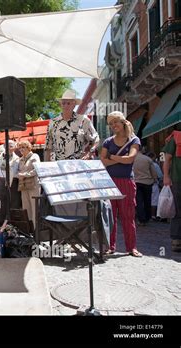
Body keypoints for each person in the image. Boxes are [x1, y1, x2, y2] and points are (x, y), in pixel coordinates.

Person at [44, 89, 99, 216]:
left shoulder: (83, 120)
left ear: (74, 104)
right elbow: (48, 147)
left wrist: (89, 154)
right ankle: (64, 232)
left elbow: (96, 139)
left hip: (78, 168)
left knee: (79, 202)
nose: (65, 105)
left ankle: (79, 231)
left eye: (68, 103)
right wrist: (46, 169)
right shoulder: (53, 122)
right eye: (63, 103)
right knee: (60, 202)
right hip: (58, 169)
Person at [100, 111, 142, 257]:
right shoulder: (108, 141)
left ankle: (132, 247)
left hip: (127, 182)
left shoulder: (134, 140)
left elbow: (130, 159)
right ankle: (110, 247)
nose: (113, 126)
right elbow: (102, 161)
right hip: (110, 182)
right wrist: (119, 158)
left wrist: (111, 157)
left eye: (115, 122)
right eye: (110, 124)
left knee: (128, 216)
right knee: (110, 216)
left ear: (123, 122)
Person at [162, 123, 181, 252]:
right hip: (177, 179)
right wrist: (166, 176)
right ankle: (176, 239)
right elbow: (167, 159)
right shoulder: (176, 137)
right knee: (178, 210)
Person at [0, 140, 20, 224]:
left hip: (13, 183)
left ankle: (13, 225)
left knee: (14, 204)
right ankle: (0, 225)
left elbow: (19, 171)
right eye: (7, 145)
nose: (9, 147)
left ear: (15, 147)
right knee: (0, 205)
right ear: (4, 147)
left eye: (11, 145)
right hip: (1, 182)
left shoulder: (18, 159)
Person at [17, 140, 41, 225]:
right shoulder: (20, 160)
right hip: (23, 187)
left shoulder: (34, 156)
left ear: (28, 147)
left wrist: (24, 174)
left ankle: (37, 232)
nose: (21, 149)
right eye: (19, 148)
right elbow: (17, 172)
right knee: (26, 209)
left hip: (33, 186)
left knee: (35, 209)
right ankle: (29, 231)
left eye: (23, 147)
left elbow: (37, 170)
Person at [133, 150, 158, 225]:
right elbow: (153, 172)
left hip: (136, 181)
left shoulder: (132, 159)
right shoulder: (147, 159)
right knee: (147, 200)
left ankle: (141, 219)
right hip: (147, 182)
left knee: (139, 201)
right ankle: (147, 217)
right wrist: (154, 179)